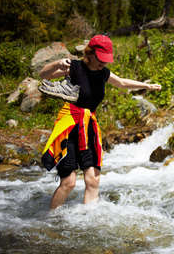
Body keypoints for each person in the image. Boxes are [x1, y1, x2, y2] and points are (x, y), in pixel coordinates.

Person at [39, 34, 161, 209]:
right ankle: (50, 222)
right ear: (90, 53)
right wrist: (57, 64)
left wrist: (146, 86)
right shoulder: (74, 67)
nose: (103, 62)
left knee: (93, 180)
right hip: (70, 126)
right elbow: (43, 74)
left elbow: (122, 83)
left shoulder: (103, 73)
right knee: (69, 183)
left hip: (89, 128)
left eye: (106, 59)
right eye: (100, 58)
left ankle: (89, 221)